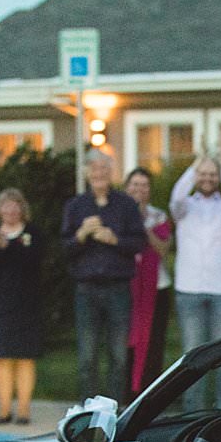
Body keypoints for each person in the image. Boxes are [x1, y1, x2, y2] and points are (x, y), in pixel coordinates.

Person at [62, 151, 147, 402]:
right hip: (86, 289)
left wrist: (115, 239)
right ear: (87, 173)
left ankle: (114, 411)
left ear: (111, 172)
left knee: (118, 356)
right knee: (87, 357)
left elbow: (139, 243)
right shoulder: (75, 206)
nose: (99, 173)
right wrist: (81, 235)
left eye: (104, 168)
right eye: (94, 169)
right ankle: (88, 412)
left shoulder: (126, 204)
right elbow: (65, 248)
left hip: (118, 288)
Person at [169, 156, 221, 410]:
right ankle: (192, 415)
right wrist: (195, 166)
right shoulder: (184, 207)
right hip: (189, 288)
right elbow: (177, 196)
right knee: (192, 357)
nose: (207, 178)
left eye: (213, 174)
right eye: (203, 174)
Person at [0, 189, 45, 425]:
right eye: (6, 206)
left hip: (27, 303)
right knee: (2, 356)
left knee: (25, 357)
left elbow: (35, 259)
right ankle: (4, 409)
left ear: (22, 209)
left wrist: (11, 247)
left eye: (15, 206)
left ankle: (23, 409)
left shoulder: (33, 234)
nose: (11, 211)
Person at [124, 167, 174, 396]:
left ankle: (148, 393)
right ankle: (126, 392)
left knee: (154, 343)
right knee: (126, 342)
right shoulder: (118, 214)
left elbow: (163, 249)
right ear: (126, 188)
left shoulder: (159, 216)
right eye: (135, 184)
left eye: (144, 185)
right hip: (126, 286)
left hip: (156, 288)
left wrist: (144, 226)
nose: (139, 189)